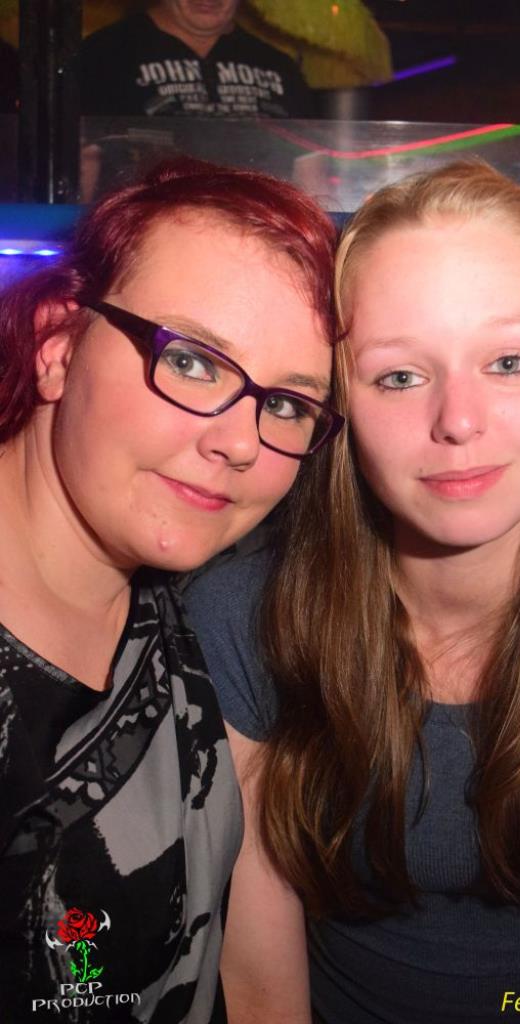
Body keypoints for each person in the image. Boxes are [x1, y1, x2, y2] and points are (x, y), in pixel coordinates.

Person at [185, 161, 520, 1023]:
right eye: (399, 377)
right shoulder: (246, 611)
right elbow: (261, 989)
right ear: (339, 396)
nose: (458, 421)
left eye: (509, 361)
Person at [0, 156, 341, 1022]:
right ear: (58, 346)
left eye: (287, 404)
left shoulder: (191, 598)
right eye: (192, 361)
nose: (241, 443)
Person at [79, 0, 313, 119]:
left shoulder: (279, 67)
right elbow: (85, 159)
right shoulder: (103, 55)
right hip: (149, 199)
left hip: (256, 200)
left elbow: (309, 166)